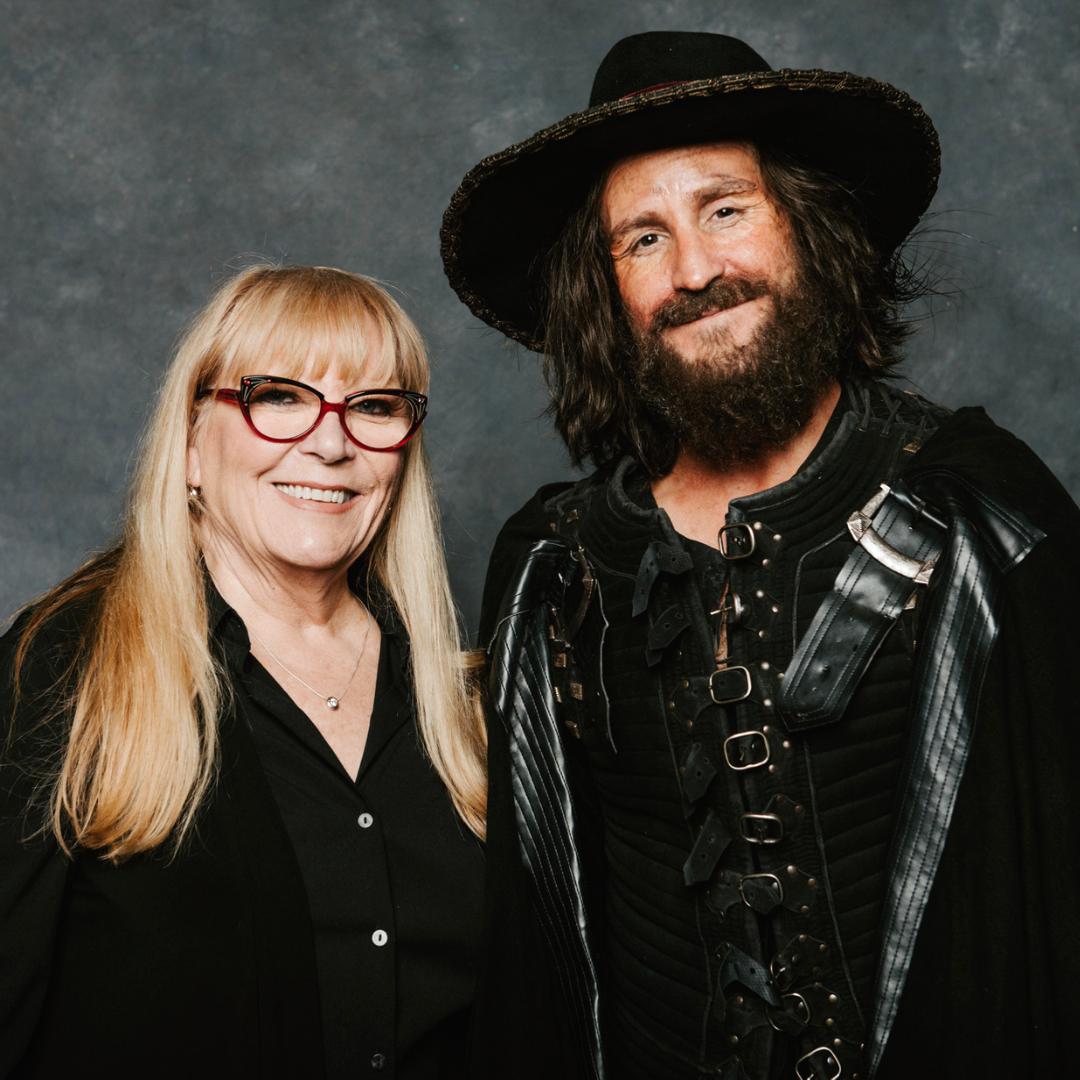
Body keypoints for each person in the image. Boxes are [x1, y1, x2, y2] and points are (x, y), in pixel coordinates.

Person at [442, 31, 1079, 1080]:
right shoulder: (555, 569)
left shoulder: (983, 516)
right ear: (605, 297)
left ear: (807, 228)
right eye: (641, 240)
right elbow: (538, 955)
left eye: (725, 209)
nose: (695, 271)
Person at [0, 265, 486, 1078]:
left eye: (374, 408)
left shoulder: (460, 703)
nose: (331, 444)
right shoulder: (65, 668)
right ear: (192, 442)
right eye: (280, 397)